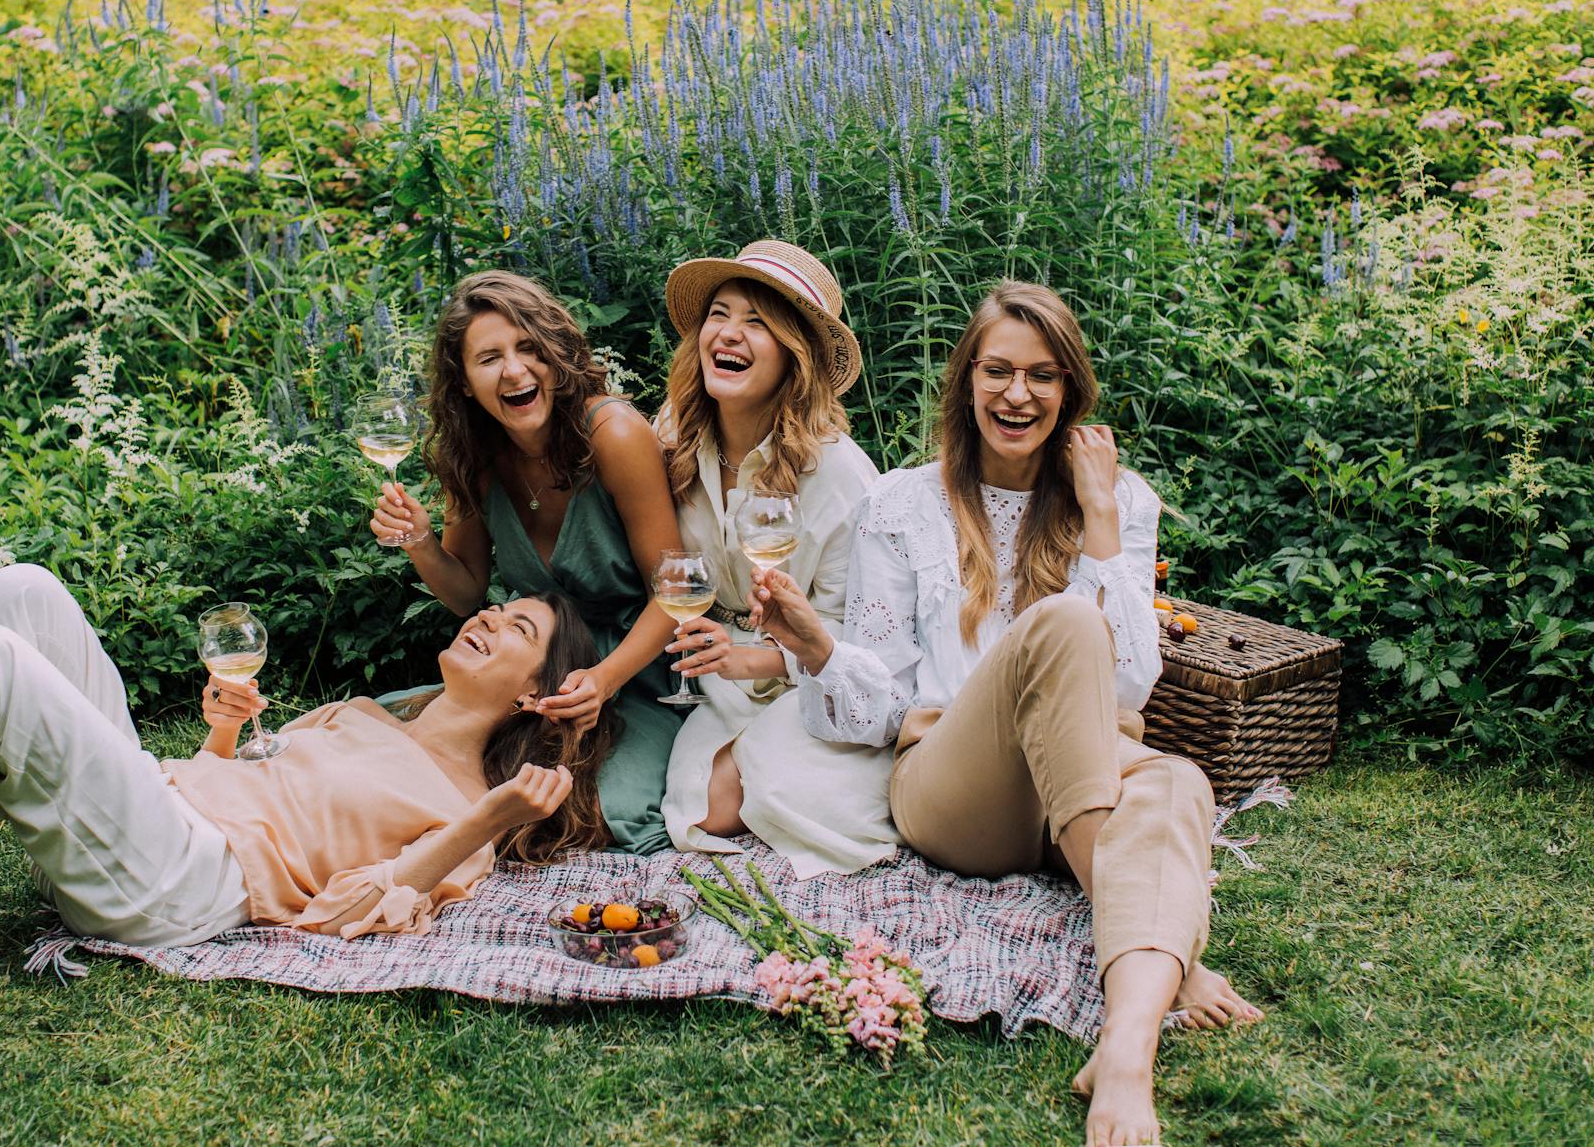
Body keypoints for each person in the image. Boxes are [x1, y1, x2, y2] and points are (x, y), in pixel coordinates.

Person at [756, 281, 1262, 1147]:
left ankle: (1127, 1044)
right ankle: (1166, 943)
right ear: (966, 382)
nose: (1018, 394)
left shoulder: (1120, 502)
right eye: (997, 371)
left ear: (1070, 391)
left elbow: (1132, 687)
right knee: (1066, 621)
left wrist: (1099, 516)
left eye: (1043, 375)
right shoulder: (904, 505)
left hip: (1084, 776)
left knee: (1180, 777)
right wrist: (818, 647)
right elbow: (872, 708)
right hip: (958, 790)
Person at [0, 563, 608, 996]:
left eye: (518, 624)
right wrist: (225, 727)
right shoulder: (359, 713)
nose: (488, 617)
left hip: (184, 882)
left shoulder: (469, 810)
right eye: (494, 607)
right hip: (164, 802)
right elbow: (231, 776)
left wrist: (490, 818)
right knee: (18, 593)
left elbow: (345, 912)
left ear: (535, 691)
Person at [370, 271, 683, 853]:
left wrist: (603, 681)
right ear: (464, 382)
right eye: (489, 358)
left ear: (556, 356)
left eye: (529, 349)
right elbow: (466, 594)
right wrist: (419, 541)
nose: (515, 371)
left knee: (604, 811)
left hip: (633, 672)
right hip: (528, 672)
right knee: (388, 734)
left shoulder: (613, 434)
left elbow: (675, 592)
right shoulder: (473, 456)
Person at [654, 240, 894, 878]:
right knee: (700, 811)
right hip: (718, 680)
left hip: (812, 680)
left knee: (768, 795)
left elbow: (862, 638)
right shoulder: (677, 436)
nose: (729, 334)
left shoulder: (840, 474)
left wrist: (752, 658)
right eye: (720, 314)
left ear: (796, 356)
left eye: (758, 323)